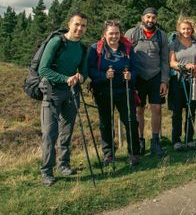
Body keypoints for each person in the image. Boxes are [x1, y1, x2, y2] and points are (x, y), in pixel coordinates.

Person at [38, 12, 88, 186]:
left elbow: (84, 70)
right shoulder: (56, 42)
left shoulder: (82, 48)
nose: (80, 28)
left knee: (66, 131)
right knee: (50, 133)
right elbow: (43, 69)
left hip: (72, 92)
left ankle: (64, 164)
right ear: (69, 24)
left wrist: (81, 77)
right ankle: (47, 171)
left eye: (83, 25)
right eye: (77, 24)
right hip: (52, 92)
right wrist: (64, 79)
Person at [87, 20, 140, 166]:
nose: (114, 36)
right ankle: (109, 155)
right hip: (104, 91)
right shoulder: (95, 49)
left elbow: (135, 68)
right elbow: (90, 70)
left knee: (130, 121)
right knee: (106, 123)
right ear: (104, 34)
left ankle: (133, 153)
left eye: (117, 33)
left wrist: (131, 76)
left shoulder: (127, 48)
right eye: (111, 33)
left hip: (125, 90)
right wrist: (103, 76)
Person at [125, 7, 169, 157]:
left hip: (156, 76)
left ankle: (155, 141)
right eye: (148, 17)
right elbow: (125, 55)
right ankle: (140, 141)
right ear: (142, 17)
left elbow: (165, 60)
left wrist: (164, 80)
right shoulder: (131, 33)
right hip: (138, 77)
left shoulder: (161, 36)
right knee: (139, 110)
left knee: (156, 109)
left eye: (153, 18)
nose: (150, 20)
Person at [168, 16, 196, 151]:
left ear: (192, 29)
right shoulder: (174, 43)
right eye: (183, 29)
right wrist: (183, 66)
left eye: (188, 28)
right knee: (177, 111)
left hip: (194, 80)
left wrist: (195, 67)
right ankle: (176, 140)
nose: (186, 31)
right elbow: (171, 62)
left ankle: (189, 139)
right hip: (178, 80)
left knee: (191, 110)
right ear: (179, 29)